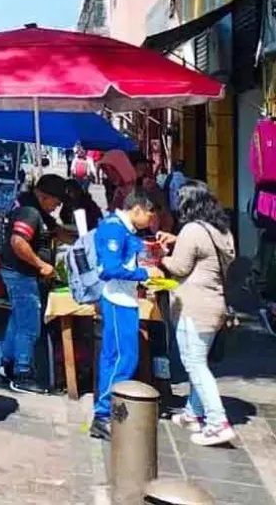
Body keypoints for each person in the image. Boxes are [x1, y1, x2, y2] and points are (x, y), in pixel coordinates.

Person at [162, 181, 237, 446]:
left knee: (194, 364)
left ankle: (218, 423)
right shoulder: (222, 230)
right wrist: (178, 240)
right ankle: (193, 413)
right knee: (199, 361)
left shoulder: (192, 230)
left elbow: (179, 267)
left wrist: (161, 256)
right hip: (215, 305)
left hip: (193, 306)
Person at [89, 189, 165, 440]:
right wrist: (145, 275)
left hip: (124, 299)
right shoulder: (113, 228)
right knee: (124, 358)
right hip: (118, 300)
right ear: (137, 209)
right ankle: (104, 414)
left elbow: (133, 251)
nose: (151, 219)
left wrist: (153, 251)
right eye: (150, 214)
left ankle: (106, 412)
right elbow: (109, 268)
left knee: (115, 357)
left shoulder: (125, 229)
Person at [0, 173, 67, 395]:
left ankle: (6, 363)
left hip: (21, 274)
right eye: (56, 202)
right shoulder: (29, 212)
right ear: (45, 196)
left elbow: (55, 231)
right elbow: (18, 241)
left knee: (18, 320)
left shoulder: (38, 210)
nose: (57, 207)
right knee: (29, 324)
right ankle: (22, 373)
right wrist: (40, 265)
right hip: (21, 274)